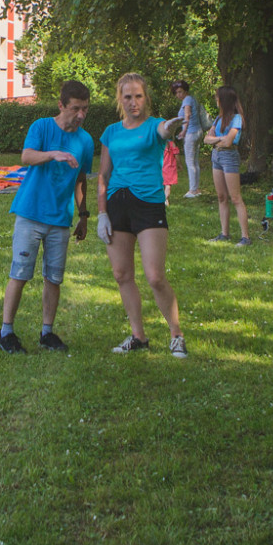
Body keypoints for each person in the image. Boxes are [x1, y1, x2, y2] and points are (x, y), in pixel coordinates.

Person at [96, 73, 190, 357]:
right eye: (127, 97)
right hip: (117, 204)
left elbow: (164, 131)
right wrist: (102, 213)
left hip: (148, 204)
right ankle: (138, 336)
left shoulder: (153, 126)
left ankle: (176, 334)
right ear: (120, 99)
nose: (133, 102)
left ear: (145, 98)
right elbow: (103, 174)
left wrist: (169, 128)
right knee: (122, 273)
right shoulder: (111, 132)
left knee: (155, 276)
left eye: (138, 96)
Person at [0, 80, 92, 354]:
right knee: (20, 274)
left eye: (85, 109)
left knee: (54, 278)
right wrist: (53, 154)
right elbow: (26, 156)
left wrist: (84, 215)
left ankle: (47, 333)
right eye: (76, 109)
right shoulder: (41, 126)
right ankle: (6, 332)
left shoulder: (85, 140)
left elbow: (81, 178)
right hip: (31, 213)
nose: (81, 115)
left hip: (60, 219)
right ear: (61, 105)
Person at [207, 86, 250, 244]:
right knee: (221, 196)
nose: (216, 100)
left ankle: (245, 237)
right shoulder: (218, 119)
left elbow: (229, 141)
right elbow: (206, 139)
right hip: (216, 155)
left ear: (223, 100)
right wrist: (219, 140)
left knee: (235, 197)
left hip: (229, 156)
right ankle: (224, 233)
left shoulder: (236, 119)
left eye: (218, 97)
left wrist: (216, 139)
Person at [170, 80, 204, 199]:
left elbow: (187, 115)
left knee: (190, 162)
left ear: (185, 91)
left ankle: (192, 190)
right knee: (195, 161)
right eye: (176, 92)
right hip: (198, 132)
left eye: (180, 91)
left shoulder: (187, 100)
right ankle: (196, 188)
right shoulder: (192, 99)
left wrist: (183, 131)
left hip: (191, 132)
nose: (178, 94)